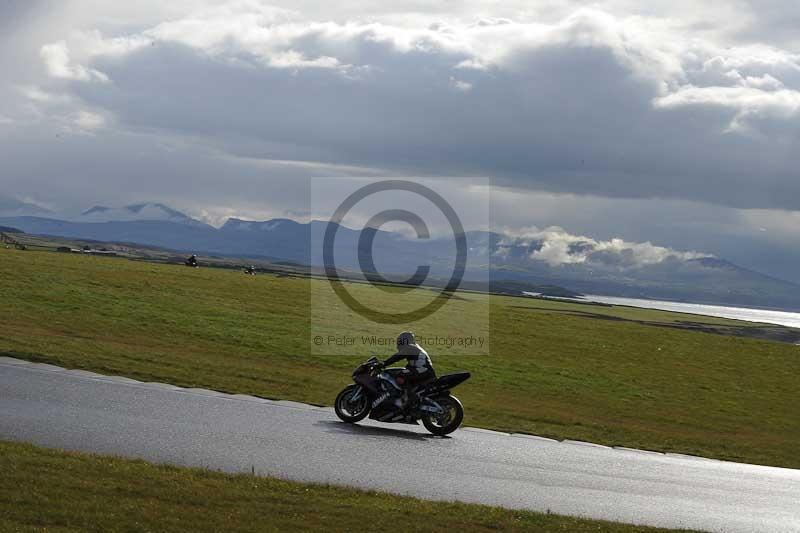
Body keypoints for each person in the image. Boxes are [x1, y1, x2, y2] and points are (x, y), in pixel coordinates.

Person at [380, 331, 435, 410]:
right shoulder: (415, 348)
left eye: (400, 341)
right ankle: (409, 396)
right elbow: (412, 364)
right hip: (423, 370)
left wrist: (384, 363)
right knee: (403, 372)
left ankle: (410, 398)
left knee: (399, 375)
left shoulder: (411, 347)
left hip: (423, 370)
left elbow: (397, 357)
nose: (399, 344)